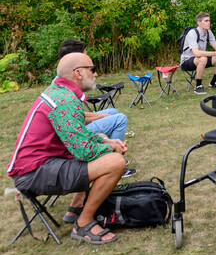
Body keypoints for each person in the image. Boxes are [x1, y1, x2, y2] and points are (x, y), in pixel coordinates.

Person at [7, 53, 127, 244]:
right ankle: (83, 223)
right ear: (78, 73)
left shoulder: (60, 92)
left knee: (106, 151)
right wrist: (111, 148)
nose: (96, 74)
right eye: (92, 69)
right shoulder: (65, 100)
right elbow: (84, 151)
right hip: (34, 173)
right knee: (115, 162)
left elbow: (77, 133)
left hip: (41, 165)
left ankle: (77, 207)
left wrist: (106, 141)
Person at [57, 40, 135, 179]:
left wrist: (101, 116)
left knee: (112, 111)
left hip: (74, 127)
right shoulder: (65, 88)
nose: (94, 73)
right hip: (72, 135)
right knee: (120, 119)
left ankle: (112, 157)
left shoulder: (62, 80)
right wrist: (101, 117)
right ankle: (113, 164)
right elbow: (77, 121)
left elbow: (77, 114)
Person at [180, 12, 216, 94]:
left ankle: (213, 82)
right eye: (206, 21)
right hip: (187, 61)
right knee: (202, 59)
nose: (208, 23)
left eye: (209, 21)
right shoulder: (192, 33)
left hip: (201, 59)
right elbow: (196, 53)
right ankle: (198, 86)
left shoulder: (208, 32)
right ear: (199, 23)